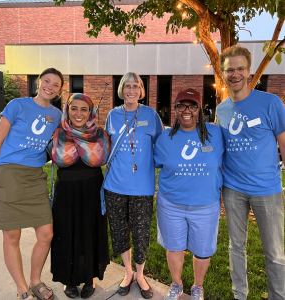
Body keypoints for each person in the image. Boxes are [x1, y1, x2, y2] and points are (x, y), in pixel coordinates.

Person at [0, 68, 64, 300]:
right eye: (47, 81)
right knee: (12, 236)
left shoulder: (57, 115)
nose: (50, 86)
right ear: (39, 82)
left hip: (35, 178)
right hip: (8, 174)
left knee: (46, 234)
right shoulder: (17, 105)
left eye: (56, 84)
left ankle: (35, 280)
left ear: (60, 90)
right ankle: (22, 289)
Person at [216, 44, 285, 300]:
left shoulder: (270, 103)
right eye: (229, 70)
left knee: (275, 252)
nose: (235, 74)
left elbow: (283, 143)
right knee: (236, 248)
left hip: (267, 190)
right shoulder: (221, 110)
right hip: (233, 189)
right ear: (223, 73)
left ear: (249, 71)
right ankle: (239, 295)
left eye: (240, 69)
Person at [154, 88, 224, 300]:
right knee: (174, 246)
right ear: (175, 109)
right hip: (171, 204)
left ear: (199, 110)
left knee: (202, 249)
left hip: (206, 204)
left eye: (192, 106)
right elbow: (156, 164)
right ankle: (176, 285)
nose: (187, 110)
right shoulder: (165, 138)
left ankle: (197, 287)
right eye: (181, 105)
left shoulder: (216, 134)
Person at [103, 72, 163, 299]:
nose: (131, 90)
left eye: (135, 86)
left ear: (141, 90)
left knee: (140, 233)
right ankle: (127, 272)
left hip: (143, 186)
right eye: (127, 86)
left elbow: (162, 145)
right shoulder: (112, 115)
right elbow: (106, 145)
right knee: (119, 232)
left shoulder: (151, 114)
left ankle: (140, 274)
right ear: (121, 89)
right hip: (115, 185)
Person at [47, 93, 111, 299]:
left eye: (84, 109)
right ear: (67, 110)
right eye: (74, 108)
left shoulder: (100, 134)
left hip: (92, 189)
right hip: (65, 191)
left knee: (90, 233)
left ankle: (89, 277)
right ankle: (69, 280)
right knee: (65, 234)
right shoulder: (58, 133)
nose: (78, 113)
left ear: (91, 112)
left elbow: (105, 158)